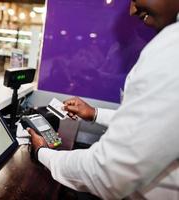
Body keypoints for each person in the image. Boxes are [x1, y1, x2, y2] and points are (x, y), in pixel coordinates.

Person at [28, 0, 179, 199]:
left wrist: (44, 153)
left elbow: (108, 173)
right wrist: (95, 114)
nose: (132, 10)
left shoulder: (171, 48)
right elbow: (155, 123)